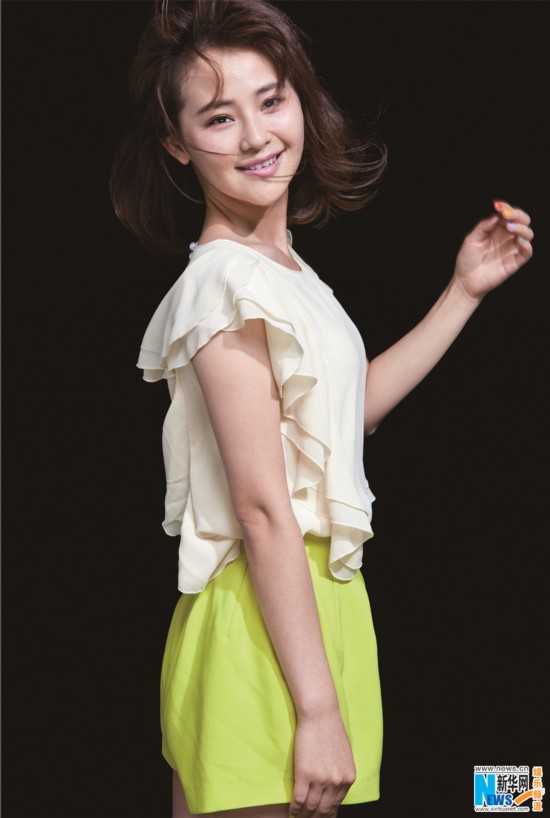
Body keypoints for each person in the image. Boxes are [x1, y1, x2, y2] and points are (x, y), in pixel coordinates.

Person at [110, 1, 534, 816]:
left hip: (318, 615)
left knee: (508, 798)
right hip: (263, 634)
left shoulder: (285, 271)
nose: (256, 136)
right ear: (177, 143)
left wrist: (462, 292)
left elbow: (343, 421)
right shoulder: (223, 283)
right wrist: (315, 710)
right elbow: (263, 507)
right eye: (219, 117)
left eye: (271, 100)